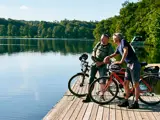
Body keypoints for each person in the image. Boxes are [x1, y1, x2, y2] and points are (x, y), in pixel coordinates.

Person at [104, 33, 141, 109]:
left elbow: (125, 51)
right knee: (125, 83)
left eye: (114, 37)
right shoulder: (118, 46)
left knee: (135, 84)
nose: (113, 39)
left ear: (118, 38)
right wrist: (108, 56)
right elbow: (115, 54)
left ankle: (136, 103)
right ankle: (126, 100)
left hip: (134, 63)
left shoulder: (123, 41)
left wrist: (121, 61)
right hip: (129, 65)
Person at [83, 33, 114, 102]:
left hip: (103, 65)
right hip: (95, 63)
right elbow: (94, 51)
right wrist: (94, 59)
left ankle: (102, 96)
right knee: (91, 80)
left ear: (107, 40)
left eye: (103, 39)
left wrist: (101, 63)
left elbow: (109, 58)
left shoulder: (109, 47)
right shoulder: (98, 43)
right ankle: (88, 96)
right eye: (101, 38)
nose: (102, 40)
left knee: (102, 80)